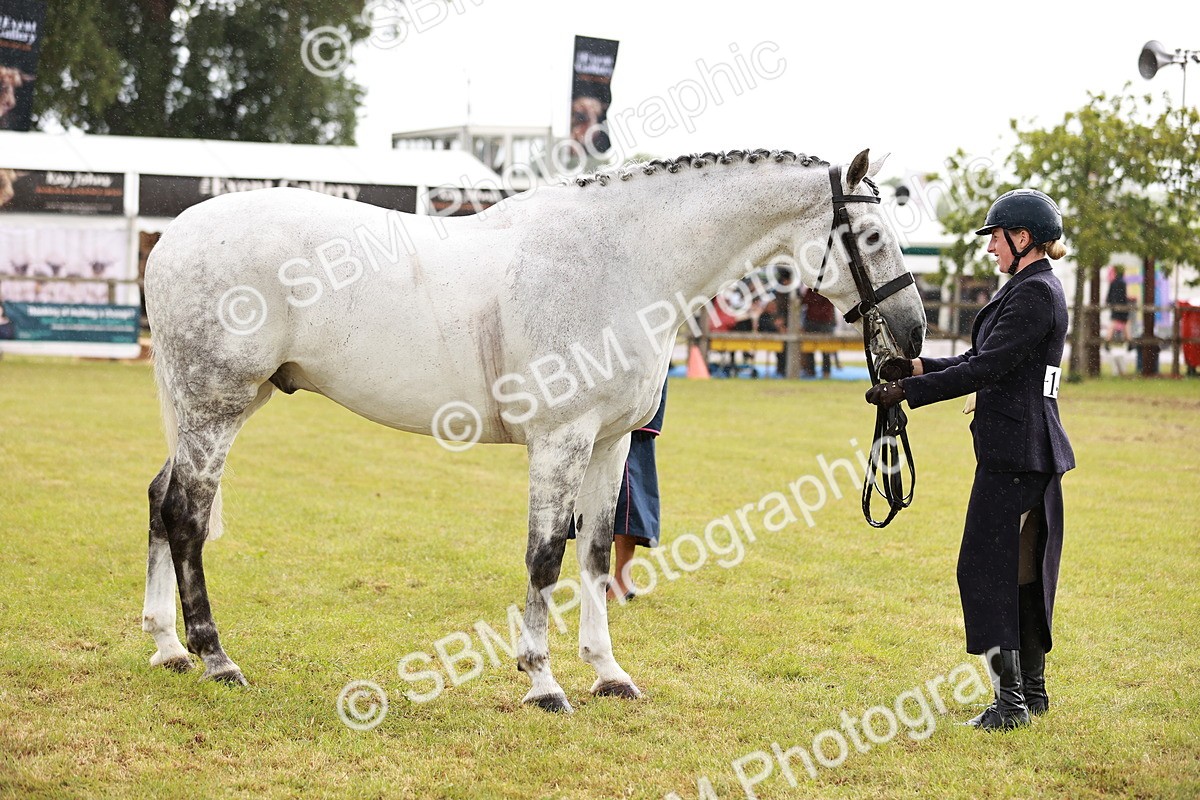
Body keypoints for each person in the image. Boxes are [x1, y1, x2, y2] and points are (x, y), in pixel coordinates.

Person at [865, 188, 1075, 731]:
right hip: (1023, 450)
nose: (991, 250)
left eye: (996, 239)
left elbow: (987, 370)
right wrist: (914, 369)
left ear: (1021, 238)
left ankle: (1011, 704)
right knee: (1022, 574)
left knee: (985, 572)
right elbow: (975, 359)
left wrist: (907, 396)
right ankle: (1031, 692)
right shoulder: (1032, 289)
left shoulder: (1033, 294)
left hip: (1016, 454)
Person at [568, 381, 667, 601]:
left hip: (635, 391)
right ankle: (601, 577)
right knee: (594, 487)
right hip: (604, 393)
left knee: (627, 490)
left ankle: (623, 579)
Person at [800, 287, 836, 377]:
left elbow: (804, 302)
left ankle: (824, 371)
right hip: (814, 322)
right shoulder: (811, 291)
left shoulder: (827, 291)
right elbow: (804, 301)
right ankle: (811, 370)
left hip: (823, 322)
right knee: (809, 348)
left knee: (825, 350)